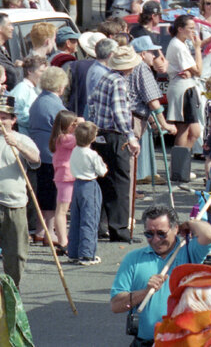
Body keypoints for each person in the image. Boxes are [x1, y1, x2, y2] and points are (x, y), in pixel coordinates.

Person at [110, 205, 211, 347]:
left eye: (161, 233)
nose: (155, 240)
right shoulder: (133, 259)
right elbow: (116, 306)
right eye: (149, 234)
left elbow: (209, 235)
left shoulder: (189, 252)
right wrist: (144, 292)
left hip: (182, 342)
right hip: (145, 342)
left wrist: (190, 224)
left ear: (175, 229)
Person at [87, 45, 143, 243]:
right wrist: (131, 137)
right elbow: (120, 113)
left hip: (101, 134)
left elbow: (91, 103)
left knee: (105, 181)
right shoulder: (119, 82)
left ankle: (103, 226)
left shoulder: (105, 77)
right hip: (114, 135)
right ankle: (119, 230)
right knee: (120, 183)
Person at [0, 95, 40, 287]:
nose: (1, 120)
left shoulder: (22, 138)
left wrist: (17, 144)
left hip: (14, 203)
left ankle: (12, 292)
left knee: (16, 253)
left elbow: (35, 159)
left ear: (13, 120)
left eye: (4, 117)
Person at [26, 65, 67, 245]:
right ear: (60, 86)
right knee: (51, 197)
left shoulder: (39, 100)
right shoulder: (54, 104)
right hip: (52, 156)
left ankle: (41, 231)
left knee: (43, 194)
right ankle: (49, 232)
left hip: (40, 152)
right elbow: (64, 128)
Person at [165, 16, 203, 185]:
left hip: (187, 87)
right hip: (181, 89)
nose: (193, 31)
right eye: (190, 28)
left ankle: (183, 165)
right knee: (183, 129)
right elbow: (198, 70)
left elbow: (192, 70)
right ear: (180, 28)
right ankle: (179, 169)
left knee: (195, 131)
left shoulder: (182, 44)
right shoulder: (178, 45)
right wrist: (198, 49)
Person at [66, 121, 104, 266]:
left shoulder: (75, 150)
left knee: (76, 219)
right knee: (90, 219)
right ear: (93, 138)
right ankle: (87, 254)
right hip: (89, 184)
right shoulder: (92, 154)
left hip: (77, 184)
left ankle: (73, 252)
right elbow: (102, 171)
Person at [49, 110, 80, 252]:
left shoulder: (60, 137)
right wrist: (82, 123)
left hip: (67, 176)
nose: (75, 126)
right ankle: (63, 242)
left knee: (64, 209)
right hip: (65, 177)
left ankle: (65, 240)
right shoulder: (64, 138)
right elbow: (82, 138)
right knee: (61, 210)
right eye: (72, 124)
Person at [0, 14, 18, 87]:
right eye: (9, 25)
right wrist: (19, 68)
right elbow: (12, 76)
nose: (12, 28)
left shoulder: (3, 48)